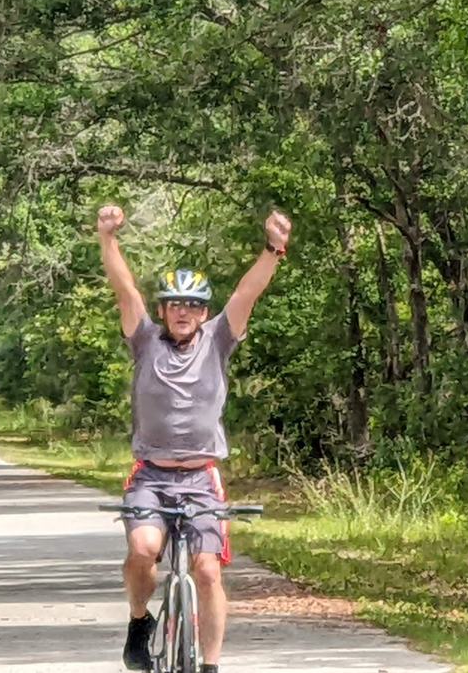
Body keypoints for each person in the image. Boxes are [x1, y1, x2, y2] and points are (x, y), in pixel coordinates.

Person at [98, 203, 292, 673]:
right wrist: (108, 239)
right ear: (163, 310)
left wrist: (274, 248)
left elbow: (248, 292)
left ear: (203, 312)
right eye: (174, 304)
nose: (183, 313)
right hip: (151, 476)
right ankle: (139, 622)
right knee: (143, 550)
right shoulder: (145, 340)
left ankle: (209, 666)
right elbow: (125, 289)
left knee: (208, 570)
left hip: (202, 479)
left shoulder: (219, 338)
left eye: (193, 306)